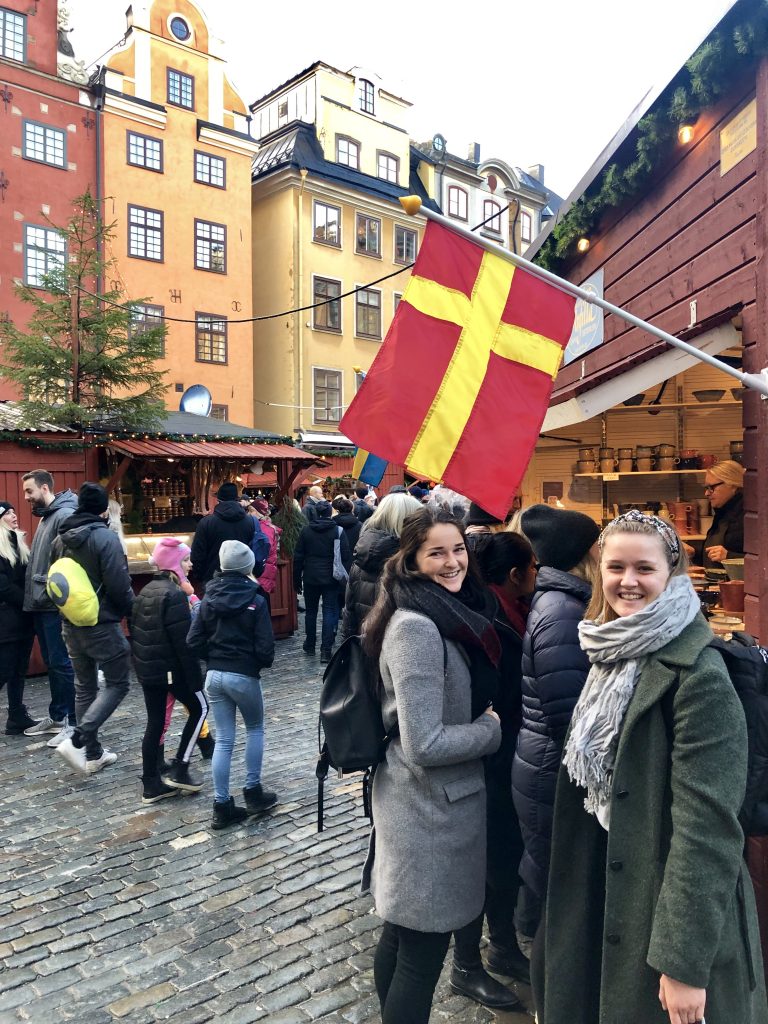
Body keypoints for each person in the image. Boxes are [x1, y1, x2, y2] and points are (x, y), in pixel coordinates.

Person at [542, 509, 767, 1024]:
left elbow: (706, 830)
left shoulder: (699, 675)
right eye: (616, 567)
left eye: (644, 569)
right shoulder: (609, 649)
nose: (628, 581)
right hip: (605, 883)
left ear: (672, 575)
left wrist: (684, 964)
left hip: (662, 905)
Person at [360, 506, 502, 1024]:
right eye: (437, 552)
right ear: (413, 560)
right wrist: (490, 729)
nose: (452, 561)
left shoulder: (441, 611)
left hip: (424, 805)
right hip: (428, 812)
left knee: (401, 936)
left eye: (458, 548)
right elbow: (425, 743)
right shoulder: (418, 627)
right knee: (420, 957)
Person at [511, 503, 599, 997]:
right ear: (584, 555)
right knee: (556, 889)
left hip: (542, 762)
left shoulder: (563, 601)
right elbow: (569, 713)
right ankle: (552, 996)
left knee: (549, 877)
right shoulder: (565, 611)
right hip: (549, 768)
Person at [450, 532, 537, 1009]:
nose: (537, 574)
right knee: (480, 862)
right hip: (487, 758)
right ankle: (466, 964)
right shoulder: (486, 619)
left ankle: (502, 947)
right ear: (513, 574)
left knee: (504, 859)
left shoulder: (511, 610)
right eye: (532, 566)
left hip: (508, 756)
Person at [187, 540, 277, 830]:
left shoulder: (207, 598)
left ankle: (222, 805)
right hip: (243, 674)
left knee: (224, 740)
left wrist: (213, 657)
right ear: (248, 567)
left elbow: (193, 641)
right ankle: (253, 791)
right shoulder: (256, 599)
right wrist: (252, 663)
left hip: (214, 676)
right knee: (255, 728)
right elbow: (265, 648)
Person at [51, 483, 134, 775]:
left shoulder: (60, 539)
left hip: (70, 622)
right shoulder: (104, 538)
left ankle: (93, 753)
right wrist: (131, 612)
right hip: (101, 624)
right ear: (102, 510)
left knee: (84, 686)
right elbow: (118, 585)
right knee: (118, 683)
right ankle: (79, 739)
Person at [132, 538, 209, 804]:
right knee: (200, 708)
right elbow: (183, 643)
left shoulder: (147, 590)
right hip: (169, 670)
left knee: (154, 723)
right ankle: (180, 766)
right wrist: (195, 680)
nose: (190, 565)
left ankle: (150, 783)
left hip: (148, 669)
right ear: (175, 563)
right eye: (185, 560)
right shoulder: (174, 595)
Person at [20, 469, 78, 745]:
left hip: (52, 604)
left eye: (29, 491)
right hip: (42, 603)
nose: (26, 497)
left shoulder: (63, 515)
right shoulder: (49, 516)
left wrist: (50, 593)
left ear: (44, 488)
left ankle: (68, 720)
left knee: (61, 663)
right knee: (55, 664)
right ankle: (57, 718)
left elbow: (66, 564)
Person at [339, 492, 422, 642]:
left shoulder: (361, 557)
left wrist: (350, 649)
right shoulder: (409, 560)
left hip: (367, 643)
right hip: (403, 645)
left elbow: (349, 611)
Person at [293, 500, 351, 663]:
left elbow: (298, 557)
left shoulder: (306, 531)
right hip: (331, 576)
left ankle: (310, 644)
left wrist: (296, 579)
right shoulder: (338, 531)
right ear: (329, 513)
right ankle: (326, 650)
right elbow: (346, 557)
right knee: (330, 611)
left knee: (311, 612)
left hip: (310, 576)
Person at [0, 501, 37, 734]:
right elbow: (2, 586)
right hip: (6, 620)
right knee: (4, 670)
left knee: (18, 670)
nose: (14, 515)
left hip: (22, 619)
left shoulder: (18, 543)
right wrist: (27, 601)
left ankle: (16, 716)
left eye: (14, 511)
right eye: (7, 513)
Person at [191, 482, 268, 590]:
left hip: (213, 582)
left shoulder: (206, 523)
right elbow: (258, 549)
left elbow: (197, 555)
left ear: (218, 500)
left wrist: (202, 578)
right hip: (244, 582)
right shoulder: (251, 522)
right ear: (237, 498)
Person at [700, 458, 744, 567]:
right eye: (706, 488)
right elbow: (715, 554)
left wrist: (729, 557)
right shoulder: (722, 511)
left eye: (711, 487)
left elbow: (762, 562)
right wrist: (694, 552)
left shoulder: (751, 517)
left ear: (732, 484)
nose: (706, 493)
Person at [250, 498, 282, 614]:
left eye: (251, 511)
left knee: (262, 605)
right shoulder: (263, 526)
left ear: (259, 512)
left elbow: (263, 550)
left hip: (262, 571)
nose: (249, 513)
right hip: (263, 571)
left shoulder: (265, 528)